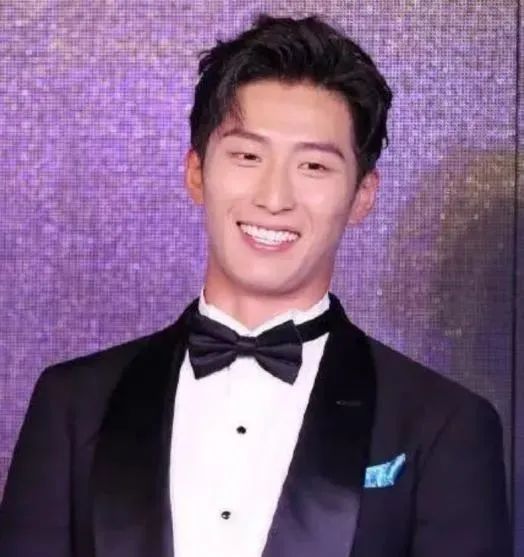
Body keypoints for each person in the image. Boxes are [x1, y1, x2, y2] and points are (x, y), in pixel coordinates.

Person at [0, 13, 511, 557]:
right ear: (196, 172)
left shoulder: (443, 424)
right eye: (247, 156)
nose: (273, 198)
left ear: (362, 195)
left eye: (313, 166)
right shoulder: (74, 404)